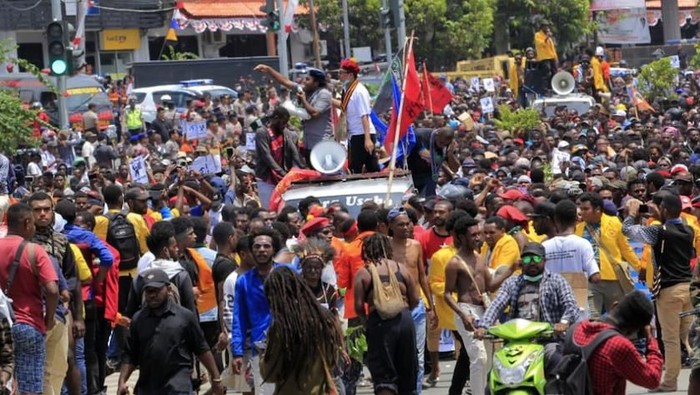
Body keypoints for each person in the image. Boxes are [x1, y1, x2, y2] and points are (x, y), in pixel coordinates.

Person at [623, 192, 693, 392]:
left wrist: (633, 213)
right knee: (688, 337)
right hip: (688, 287)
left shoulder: (658, 231)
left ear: (664, 209)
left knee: (670, 339)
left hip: (669, 291)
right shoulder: (688, 229)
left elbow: (627, 230)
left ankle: (670, 382)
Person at [475, 242, 580, 373]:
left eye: (536, 258)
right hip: (516, 343)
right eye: (526, 259)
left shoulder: (556, 281)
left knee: (556, 361)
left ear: (544, 260)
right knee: (494, 374)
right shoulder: (512, 283)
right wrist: (483, 326)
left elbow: (571, 305)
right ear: (521, 262)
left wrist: (563, 323)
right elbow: (496, 305)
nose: (531, 263)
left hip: (547, 341)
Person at [117, 268, 224, 395]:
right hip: (148, 388)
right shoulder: (138, 320)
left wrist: (216, 378)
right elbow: (130, 355)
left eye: (157, 290)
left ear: (168, 290)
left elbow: (201, 348)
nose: (152, 295)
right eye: (148, 291)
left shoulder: (185, 317)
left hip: (178, 386)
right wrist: (122, 382)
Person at [444, 215, 514, 395]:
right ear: (460, 237)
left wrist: (511, 270)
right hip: (467, 311)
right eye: (473, 235)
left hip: (485, 311)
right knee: (479, 358)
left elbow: (490, 286)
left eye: (478, 234)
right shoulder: (454, 263)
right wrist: (463, 315)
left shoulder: (480, 258)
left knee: (490, 358)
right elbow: (447, 294)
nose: (478, 238)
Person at [0, 203, 59, 395]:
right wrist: (49, 319)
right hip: (28, 324)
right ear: (27, 223)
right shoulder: (34, 251)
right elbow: (52, 290)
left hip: (2, 327)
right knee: (30, 389)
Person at [353, 233, 420, 395]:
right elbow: (415, 299)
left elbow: (358, 305)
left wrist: (365, 322)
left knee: (383, 373)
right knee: (407, 369)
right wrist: (404, 312)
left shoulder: (364, 273)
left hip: (380, 323)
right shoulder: (401, 268)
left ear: (367, 251)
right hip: (404, 321)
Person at [261, 266, 343, 394]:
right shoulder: (322, 319)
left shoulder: (282, 328)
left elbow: (270, 374)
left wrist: (263, 356)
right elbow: (332, 360)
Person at [572, 291, 663, 395]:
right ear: (634, 330)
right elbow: (653, 379)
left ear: (614, 306)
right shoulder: (618, 345)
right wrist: (651, 340)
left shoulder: (576, 329)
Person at [387, 207, 437, 392]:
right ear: (390, 226)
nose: (406, 227)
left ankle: (415, 391)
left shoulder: (415, 245)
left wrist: (431, 306)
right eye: (400, 224)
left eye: (408, 224)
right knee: (397, 355)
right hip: (394, 307)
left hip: (417, 306)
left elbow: (422, 276)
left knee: (418, 356)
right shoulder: (386, 247)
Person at [231, 227, 281, 395]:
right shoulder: (243, 282)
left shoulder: (287, 274)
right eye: (257, 246)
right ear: (251, 250)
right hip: (260, 350)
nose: (261, 250)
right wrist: (237, 352)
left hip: (288, 347)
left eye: (266, 246)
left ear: (274, 249)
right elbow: (239, 319)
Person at [576, 192, 640, 319]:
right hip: (588, 280)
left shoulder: (614, 222)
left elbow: (625, 249)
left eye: (586, 209)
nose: (581, 212)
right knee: (592, 317)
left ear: (598, 209)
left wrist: (639, 268)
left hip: (613, 277)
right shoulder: (578, 228)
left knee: (617, 317)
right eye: (581, 208)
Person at [254, 64, 333, 160]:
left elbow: (315, 113)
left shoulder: (324, 94)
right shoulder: (305, 90)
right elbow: (285, 81)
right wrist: (269, 70)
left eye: (308, 79)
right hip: (309, 143)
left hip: (321, 143)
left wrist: (303, 100)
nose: (304, 82)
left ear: (316, 83)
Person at [333, 58, 379, 174]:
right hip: (354, 134)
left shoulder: (359, 91)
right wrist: (330, 100)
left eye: (341, 73)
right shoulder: (347, 89)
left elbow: (365, 116)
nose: (339, 75)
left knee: (364, 167)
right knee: (357, 167)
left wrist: (367, 139)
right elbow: (344, 106)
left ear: (350, 75)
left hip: (362, 134)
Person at [254, 106, 304, 208]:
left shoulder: (284, 132)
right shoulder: (262, 132)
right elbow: (266, 156)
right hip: (266, 178)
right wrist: (282, 173)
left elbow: (294, 151)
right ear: (276, 118)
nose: (284, 125)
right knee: (269, 209)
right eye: (283, 122)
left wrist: (303, 168)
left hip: (282, 178)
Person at [534, 20, 558, 89]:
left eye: (547, 26)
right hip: (544, 57)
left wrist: (555, 57)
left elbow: (552, 47)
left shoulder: (549, 37)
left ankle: (553, 87)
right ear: (542, 27)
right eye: (545, 26)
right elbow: (541, 44)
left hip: (551, 56)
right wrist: (547, 37)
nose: (547, 27)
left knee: (554, 72)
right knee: (547, 73)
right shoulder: (538, 35)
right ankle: (546, 88)